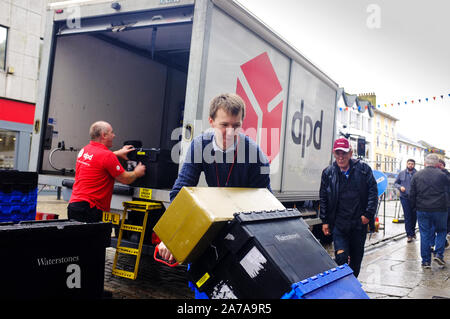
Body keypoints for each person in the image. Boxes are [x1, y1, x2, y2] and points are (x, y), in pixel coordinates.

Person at [158, 93, 271, 263]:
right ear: (211, 121)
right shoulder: (199, 145)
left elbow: (265, 201)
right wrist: (172, 236)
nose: (230, 132)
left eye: (236, 125)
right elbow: (180, 191)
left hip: (245, 224)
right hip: (214, 222)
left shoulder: (255, 153)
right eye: (224, 125)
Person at [319, 137, 378, 277]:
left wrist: (368, 215)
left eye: (344, 153)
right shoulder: (328, 173)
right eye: (338, 153)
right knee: (341, 258)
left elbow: (373, 193)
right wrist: (325, 221)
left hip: (358, 223)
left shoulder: (363, 169)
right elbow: (323, 197)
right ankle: (343, 286)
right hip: (339, 224)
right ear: (334, 154)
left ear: (350, 153)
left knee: (356, 261)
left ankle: (352, 284)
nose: (341, 157)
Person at [68, 121, 146, 222]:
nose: (114, 135)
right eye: (111, 132)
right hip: (91, 210)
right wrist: (137, 172)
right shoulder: (107, 156)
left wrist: (116, 153)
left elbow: (98, 159)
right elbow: (125, 179)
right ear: (104, 135)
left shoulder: (84, 150)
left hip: (74, 206)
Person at [409, 154, 448, 268]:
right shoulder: (442, 175)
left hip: (422, 208)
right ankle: (439, 254)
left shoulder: (417, 175)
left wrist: (414, 207)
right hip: (440, 209)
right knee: (441, 231)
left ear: (425, 163)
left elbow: (412, 193)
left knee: (424, 234)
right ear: (437, 164)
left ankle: (426, 261)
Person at [394, 159, 418, 242]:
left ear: (414, 165)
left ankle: (413, 231)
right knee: (407, 216)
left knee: (414, 216)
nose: (410, 165)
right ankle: (409, 235)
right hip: (404, 198)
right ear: (406, 164)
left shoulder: (417, 174)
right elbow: (395, 183)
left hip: (415, 198)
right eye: (409, 164)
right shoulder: (401, 173)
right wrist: (400, 187)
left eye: (412, 164)